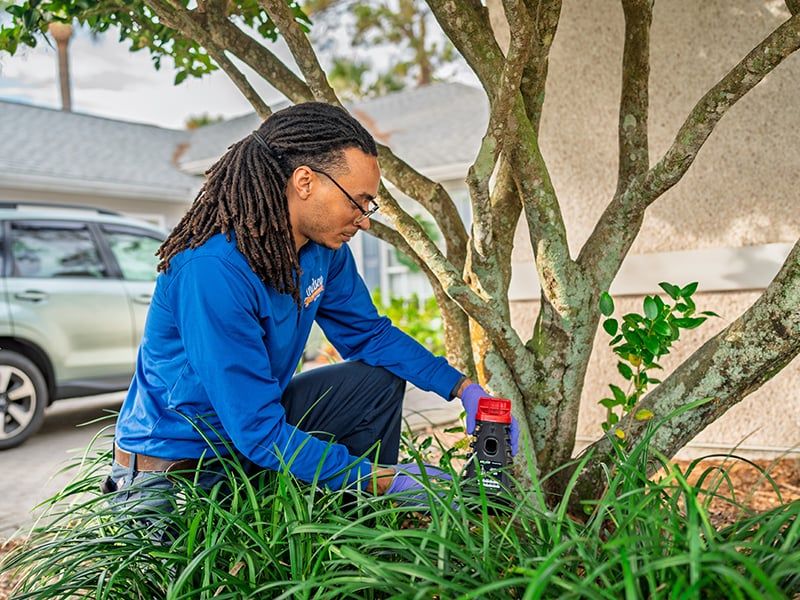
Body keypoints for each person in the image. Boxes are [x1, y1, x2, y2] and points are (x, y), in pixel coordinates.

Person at [108, 102, 518, 511]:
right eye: (358, 202)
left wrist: (463, 389)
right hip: (178, 462)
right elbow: (258, 430)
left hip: (247, 436)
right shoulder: (212, 271)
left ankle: (348, 528)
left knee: (375, 382)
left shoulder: (322, 251)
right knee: (183, 576)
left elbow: (368, 335)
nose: (364, 220)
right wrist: (381, 479)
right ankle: (352, 500)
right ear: (305, 181)